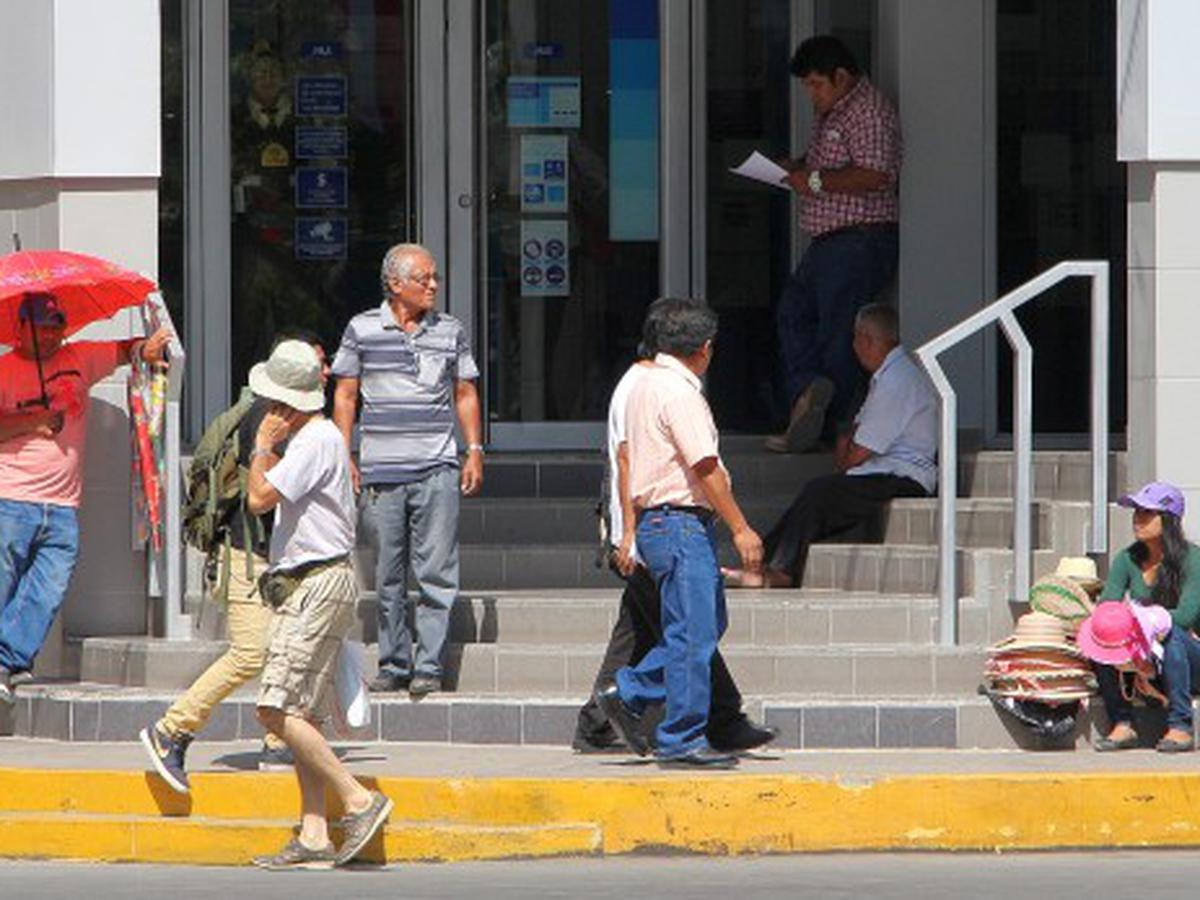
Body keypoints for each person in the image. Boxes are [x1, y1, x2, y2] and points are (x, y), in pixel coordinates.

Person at [573, 299, 775, 755]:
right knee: (691, 633)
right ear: (705, 349)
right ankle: (676, 733)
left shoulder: (642, 383)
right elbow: (705, 465)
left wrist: (631, 528)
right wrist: (741, 528)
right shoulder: (680, 393)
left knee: (700, 627)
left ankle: (632, 694)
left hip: (662, 524)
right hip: (679, 522)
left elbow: (626, 457)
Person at [139, 333, 330, 791]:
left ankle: (276, 739)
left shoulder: (272, 418)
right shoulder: (265, 426)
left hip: (271, 557)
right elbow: (261, 498)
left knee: (287, 650)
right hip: (248, 556)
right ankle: (172, 729)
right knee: (252, 652)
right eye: (317, 368)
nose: (325, 374)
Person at [243, 340, 392, 870]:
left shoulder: (312, 442)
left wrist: (262, 448)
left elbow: (259, 499)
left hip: (316, 585)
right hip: (315, 582)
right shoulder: (318, 438)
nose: (265, 411)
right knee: (303, 710)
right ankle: (312, 832)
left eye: (270, 404)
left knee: (275, 708)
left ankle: (357, 799)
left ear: (285, 404)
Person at [0, 292, 170, 703]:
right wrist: (32, 420)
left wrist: (144, 348)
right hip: (10, 498)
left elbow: (123, 351)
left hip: (63, 506)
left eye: (57, 325)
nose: (52, 335)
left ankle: (7, 662)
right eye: (42, 327)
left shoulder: (79, 357)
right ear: (20, 329)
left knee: (48, 588)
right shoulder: (3, 370)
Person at [333, 243, 483, 696]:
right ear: (396, 285)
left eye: (435, 277)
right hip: (381, 472)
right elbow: (345, 396)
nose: (434, 286)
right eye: (425, 279)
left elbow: (465, 393)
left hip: (437, 466)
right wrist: (346, 457)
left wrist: (473, 448)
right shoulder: (362, 329)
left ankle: (430, 666)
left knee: (437, 569)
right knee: (388, 573)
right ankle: (394, 662)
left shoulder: (450, 330)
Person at [728, 304, 935, 589]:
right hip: (885, 471)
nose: (854, 347)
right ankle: (761, 565)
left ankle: (778, 570)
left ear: (866, 340)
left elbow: (854, 455)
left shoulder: (897, 381)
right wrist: (848, 443)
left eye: (856, 339)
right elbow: (851, 444)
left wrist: (847, 444)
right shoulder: (889, 377)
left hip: (903, 476)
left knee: (820, 492)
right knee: (819, 493)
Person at [766, 35, 902, 454]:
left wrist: (816, 180)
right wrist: (798, 167)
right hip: (829, 241)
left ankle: (827, 425)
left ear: (841, 76)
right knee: (793, 313)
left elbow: (877, 174)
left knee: (836, 333)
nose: (811, 93)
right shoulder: (835, 111)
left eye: (816, 84)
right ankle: (811, 395)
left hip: (857, 240)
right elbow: (829, 163)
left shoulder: (868, 110)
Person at [1089, 482, 1200, 753]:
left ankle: (1181, 725)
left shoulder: (1192, 559)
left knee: (1172, 633)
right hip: (1142, 659)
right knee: (1102, 635)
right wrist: (1119, 626)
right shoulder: (1126, 559)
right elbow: (1108, 606)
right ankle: (1122, 722)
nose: (1138, 519)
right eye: (1136, 512)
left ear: (1169, 520)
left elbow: (1186, 616)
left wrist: (1140, 621)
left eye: (1147, 513)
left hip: (1188, 658)